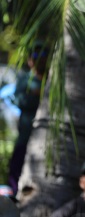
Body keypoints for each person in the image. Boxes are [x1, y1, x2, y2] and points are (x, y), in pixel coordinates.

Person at [8, 40, 48, 194]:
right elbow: (19, 100)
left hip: (47, 137)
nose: (40, 58)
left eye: (44, 53)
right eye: (36, 54)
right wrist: (42, 96)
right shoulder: (24, 79)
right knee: (17, 169)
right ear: (30, 60)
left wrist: (37, 94)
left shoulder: (54, 79)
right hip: (26, 135)